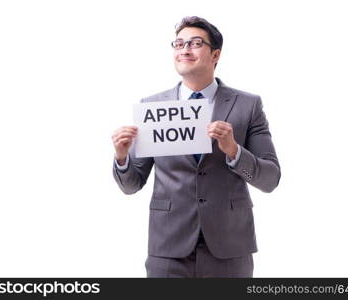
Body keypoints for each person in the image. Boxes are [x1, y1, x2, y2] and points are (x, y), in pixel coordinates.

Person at [112, 16, 281, 278]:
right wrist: (122, 157)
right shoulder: (152, 108)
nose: (184, 49)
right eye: (178, 44)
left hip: (229, 247)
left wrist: (234, 151)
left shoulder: (248, 105)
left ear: (215, 54)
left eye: (195, 43)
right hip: (168, 247)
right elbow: (131, 185)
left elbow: (269, 179)